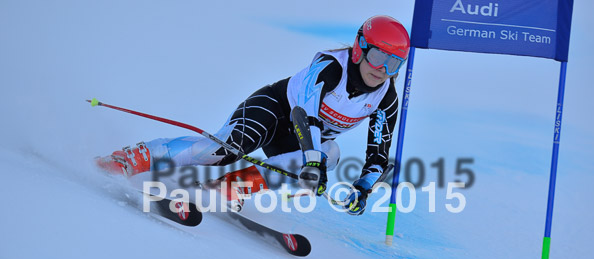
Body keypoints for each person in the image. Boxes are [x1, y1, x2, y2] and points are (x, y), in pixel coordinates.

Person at [96, 15, 410, 215]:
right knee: (221, 152)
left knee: (333, 152)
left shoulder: (386, 98)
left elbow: (378, 152)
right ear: (360, 46)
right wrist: (313, 162)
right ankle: (135, 157)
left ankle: (231, 187)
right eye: (378, 56)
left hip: (301, 143)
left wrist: (363, 189)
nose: (382, 69)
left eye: (394, 64)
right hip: (273, 110)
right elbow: (305, 115)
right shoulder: (330, 67)